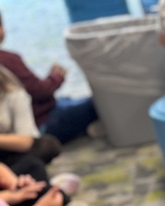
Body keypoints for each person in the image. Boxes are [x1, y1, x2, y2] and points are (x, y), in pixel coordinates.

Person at [0, 9, 98, 143]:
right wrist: (56, 76)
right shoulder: (8, 60)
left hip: (19, 132)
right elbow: (40, 91)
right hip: (38, 125)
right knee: (98, 102)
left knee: (67, 100)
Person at [0, 64, 62, 166]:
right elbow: (41, 89)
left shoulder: (14, 95)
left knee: (47, 147)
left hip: (21, 150)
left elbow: (25, 141)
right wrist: (56, 77)